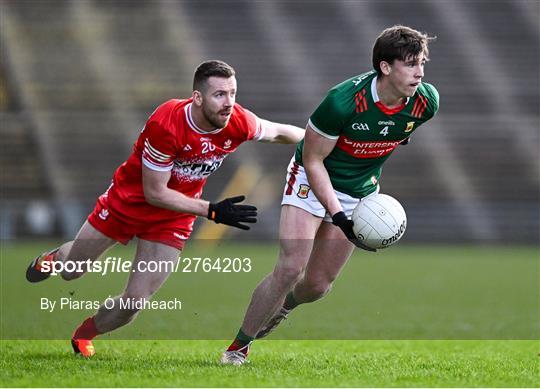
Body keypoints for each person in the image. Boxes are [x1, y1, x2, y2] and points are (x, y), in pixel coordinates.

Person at [25, 60, 305, 358]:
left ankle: (84, 334)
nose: (229, 103)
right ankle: (55, 258)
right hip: (127, 203)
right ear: (197, 97)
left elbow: (279, 132)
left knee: (134, 303)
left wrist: (323, 141)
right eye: (219, 95)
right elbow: (155, 192)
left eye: (233, 94)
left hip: (173, 219)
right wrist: (212, 210)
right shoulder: (167, 124)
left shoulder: (237, 121)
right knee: (73, 271)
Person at [221, 25, 439, 365]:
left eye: (422, 63)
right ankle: (238, 348)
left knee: (317, 286)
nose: (420, 72)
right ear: (385, 67)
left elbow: (399, 129)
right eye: (411, 64)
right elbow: (313, 159)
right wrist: (338, 215)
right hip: (310, 180)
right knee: (292, 266)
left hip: (359, 191)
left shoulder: (426, 102)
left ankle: (285, 306)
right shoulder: (342, 102)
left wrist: (389, 138)